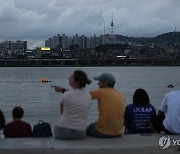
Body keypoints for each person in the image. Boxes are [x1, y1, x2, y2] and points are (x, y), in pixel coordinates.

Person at [52, 70, 92, 140]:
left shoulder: (66, 95)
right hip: (80, 134)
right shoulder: (88, 96)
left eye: (71, 77)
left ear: (77, 82)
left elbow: (62, 114)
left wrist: (62, 90)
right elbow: (76, 95)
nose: (69, 78)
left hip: (62, 132)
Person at [86, 73, 126, 138]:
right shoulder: (121, 95)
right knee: (95, 124)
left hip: (103, 132)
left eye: (99, 81)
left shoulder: (101, 92)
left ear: (104, 82)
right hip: (118, 132)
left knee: (88, 128)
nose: (98, 83)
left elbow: (81, 96)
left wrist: (65, 91)